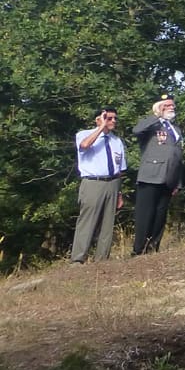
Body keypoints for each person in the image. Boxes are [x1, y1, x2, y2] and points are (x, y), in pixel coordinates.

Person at [72, 106, 127, 263]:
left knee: (107, 224)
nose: (113, 121)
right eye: (109, 118)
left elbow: (120, 168)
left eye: (115, 118)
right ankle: (78, 259)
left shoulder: (117, 141)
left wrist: (119, 193)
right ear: (99, 119)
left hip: (112, 184)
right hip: (93, 183)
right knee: (87, 221)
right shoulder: (84, 134)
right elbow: (84, 146)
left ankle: (102, 259)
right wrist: (101, 128)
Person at [131, 95, 184, 255]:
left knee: (160, 215)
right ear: (158, 107)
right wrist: (156, 116)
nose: (171, 107)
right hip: (151, 175)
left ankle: (153, 248)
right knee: (145, 214)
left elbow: (178, 157)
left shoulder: (176, 129)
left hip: (169, 177)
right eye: (167, 105)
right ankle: (138, 249)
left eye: (172, 105)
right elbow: (136, 130)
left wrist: (178, 182)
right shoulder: (151, 126)